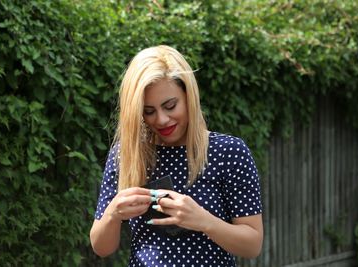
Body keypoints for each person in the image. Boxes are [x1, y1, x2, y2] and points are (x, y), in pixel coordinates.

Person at [90, 45, 263, 266]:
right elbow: (100, 247)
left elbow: (253, 245)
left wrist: (203, 221)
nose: (161, 120)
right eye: (148, 111)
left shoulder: (228, 152)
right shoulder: (128, 154)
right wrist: (113, 213)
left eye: (170, 106)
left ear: (188, 96)